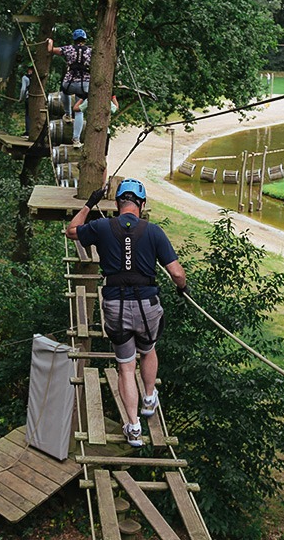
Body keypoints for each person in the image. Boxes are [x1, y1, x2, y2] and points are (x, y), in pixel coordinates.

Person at [65, 178, 188, 448]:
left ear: (118, 204)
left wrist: (89, 205)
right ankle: (148, 398)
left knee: (125, 367)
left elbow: (72, 230)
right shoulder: (153, 231)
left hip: (115, 306)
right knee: (148, 348)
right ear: (141, 205)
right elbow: (177, 272)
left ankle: (133, 427)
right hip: (147, 306)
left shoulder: (101, 226)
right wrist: (182, 287)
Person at [47, 29, 92, 146]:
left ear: (74, 39)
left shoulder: (68, 49)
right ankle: (76, 139)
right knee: (79, 111)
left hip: (70, 82)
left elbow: (50, 50)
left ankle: (67, 114)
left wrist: (50, 41)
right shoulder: (91, 51)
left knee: (64, 91)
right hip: (85, 85)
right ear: (85, 39)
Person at [18, 62, 35, 135]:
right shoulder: (37, 77)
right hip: (36, 98)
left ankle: (28, 131)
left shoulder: (25, 78)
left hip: (29, 98)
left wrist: (21, 98)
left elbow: (23, 89)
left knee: (28, 115)